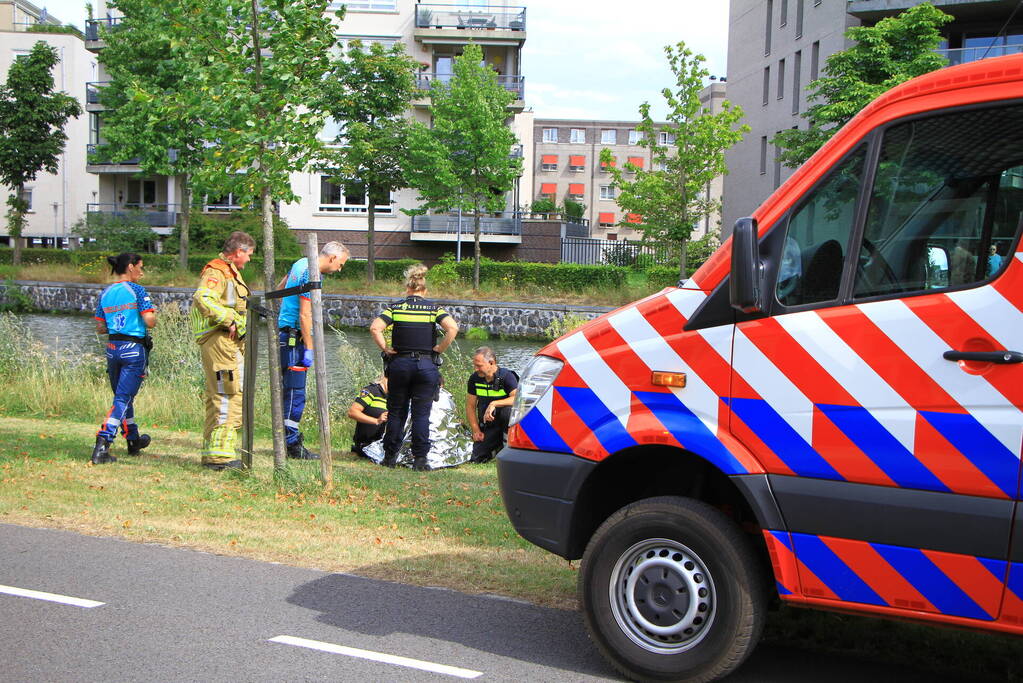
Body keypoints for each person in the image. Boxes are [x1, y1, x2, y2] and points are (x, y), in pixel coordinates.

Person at [369, 263, 458, 471]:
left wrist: (386, 348)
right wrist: (438, 349)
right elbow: (452, 328)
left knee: (397, 411)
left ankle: (389, 457)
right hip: (426, 365)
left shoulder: (396, 308)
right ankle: (420, 459)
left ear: (407, 289)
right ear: (424, 290)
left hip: (400, 364)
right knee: (421, 414)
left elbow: (375, 327)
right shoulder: (433, 309)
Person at [276, 241, 350, 459]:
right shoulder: (312, 273)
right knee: (295, 392)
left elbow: (281, 289)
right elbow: (305, 315)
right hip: (294, 339)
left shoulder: (300, 264)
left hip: (285, 333)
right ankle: (292, 445)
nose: (340, 268)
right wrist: (309, 348)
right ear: (333, 258)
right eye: (341, 264)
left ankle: (286, 439)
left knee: (288, 390)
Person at [191, 231, 255, 471]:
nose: (249, 260)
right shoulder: (217, 271)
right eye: (248, 254)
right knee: (228, 393)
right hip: (221, 342)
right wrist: (230, 320)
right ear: (239, 252)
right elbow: (204, 298)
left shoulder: (228, 272)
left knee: (219, 393)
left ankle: (213, 453)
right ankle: (220, 458)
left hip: (225, 343)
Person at [91, 253, 157, 465]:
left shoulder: (106, 293)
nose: (142, 272)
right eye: (140, 267)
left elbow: (101, 327)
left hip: (113, 348)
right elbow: (150, 321)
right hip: (133, 349)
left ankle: (133, 439)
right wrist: (149, 312)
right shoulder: (137, 290)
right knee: (122, 398)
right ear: (130, 267)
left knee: (123, 396)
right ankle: (103, 444)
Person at [465, 346, 518, 464]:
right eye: (474, 365)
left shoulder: (507, 376)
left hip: (506, 425)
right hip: (489, 426)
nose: (475, 369)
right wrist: (476, 430)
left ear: (491, 362)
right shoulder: (474, 379)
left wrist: (495, 403)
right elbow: (470, 406)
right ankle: (495, 449)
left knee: (507, 412)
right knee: (476, 458)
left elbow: (517, 399)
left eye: (479, 365)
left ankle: (507, 445)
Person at [348, 376, 388, 458]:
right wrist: (376, 420)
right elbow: (352, 412)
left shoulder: (394, 397)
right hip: (366, 444)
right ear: (385, 378)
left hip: (382, 444)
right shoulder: (370, 391)